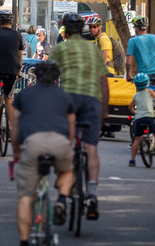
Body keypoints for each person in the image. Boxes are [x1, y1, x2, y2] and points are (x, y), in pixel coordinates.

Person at [48, 12, 109, 220]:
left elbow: (49, 78)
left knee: (66, 145)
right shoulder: (92, 50)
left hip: (69, 101)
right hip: (91, 101)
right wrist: (105, 109)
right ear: (82, 28)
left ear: (65, 29)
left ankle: (63, 198)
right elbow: (103, 81)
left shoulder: (60, 49)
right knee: (91, 148)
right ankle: (92, 194)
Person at [11, 61, 75, 246]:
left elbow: (15, 126)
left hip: (32, 143)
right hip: (60, 142)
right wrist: (66, 148)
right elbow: (71, 128)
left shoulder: (24, 94)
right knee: (67, 171)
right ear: (56, 78)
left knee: (26, 196)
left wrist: (16, 151)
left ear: (35, 76)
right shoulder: (65, 96)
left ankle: (24, 241)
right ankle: (62, 199)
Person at [128, 73, 155, 167]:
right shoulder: (149, 91)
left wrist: (136, 113)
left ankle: (132, 160)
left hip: (138, 119)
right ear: (147, 83)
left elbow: (130, 107)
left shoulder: (135, 95)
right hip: (149, 117)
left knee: (136, 139)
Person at [126, 15, 155, 83]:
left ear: (136, 28)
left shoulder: (133, 41)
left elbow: (129, 62)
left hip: (144, 75)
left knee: (143, 93)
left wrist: (128, 74)